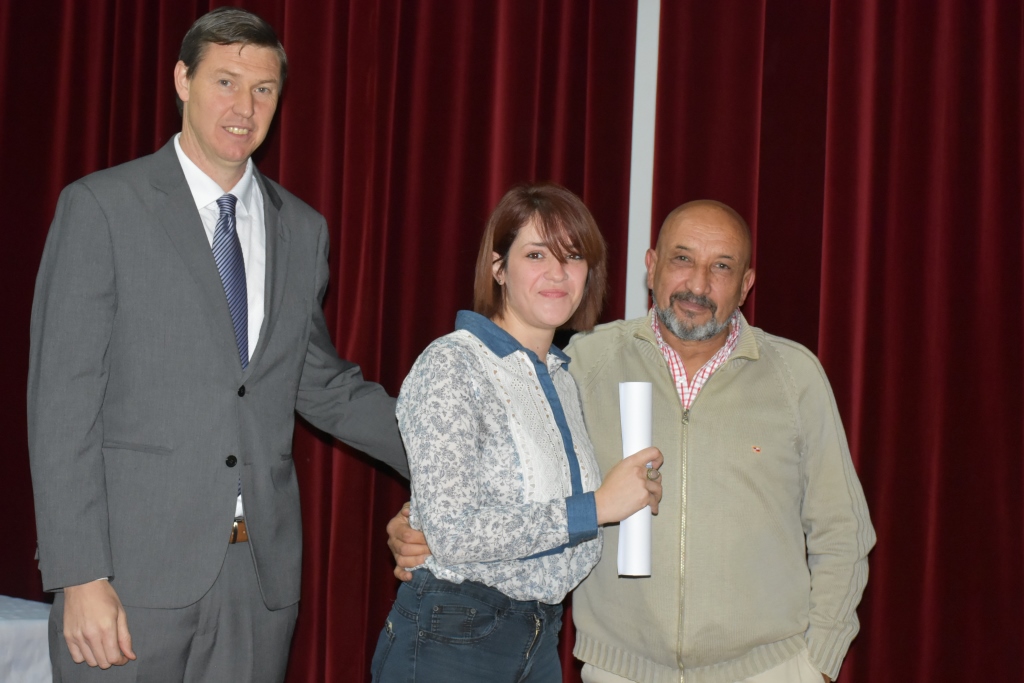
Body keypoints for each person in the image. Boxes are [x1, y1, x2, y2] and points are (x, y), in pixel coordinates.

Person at [27, 8, 406, 681]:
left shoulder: (303, 229)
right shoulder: (102, 208)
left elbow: (321, 383)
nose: (244, 106)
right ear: (182, 79)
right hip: (126, 582)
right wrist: (80, 573)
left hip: (256, 584)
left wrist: (454, 451)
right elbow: (62, 406)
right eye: (225, 82)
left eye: (263, 89)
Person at [389, 200, 875, 683]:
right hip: (618, 670)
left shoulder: (795, 376)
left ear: (747, 284)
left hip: (769, 670)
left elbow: (842, 530)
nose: (698, 284)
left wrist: (818, 663)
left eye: (721, 267)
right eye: (682, 259)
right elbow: (489, 458)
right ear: (651, 267)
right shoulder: (577, 366)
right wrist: (418, 519)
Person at [371, 183, 664, 683]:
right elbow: (455, 533)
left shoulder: (561, 377)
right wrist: (597, 506)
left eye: (573, 257)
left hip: (539, 638)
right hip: (453, 636)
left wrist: (627, 501)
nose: (557, 273)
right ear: (498, 267)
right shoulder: (452, 363)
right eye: (535, 254)